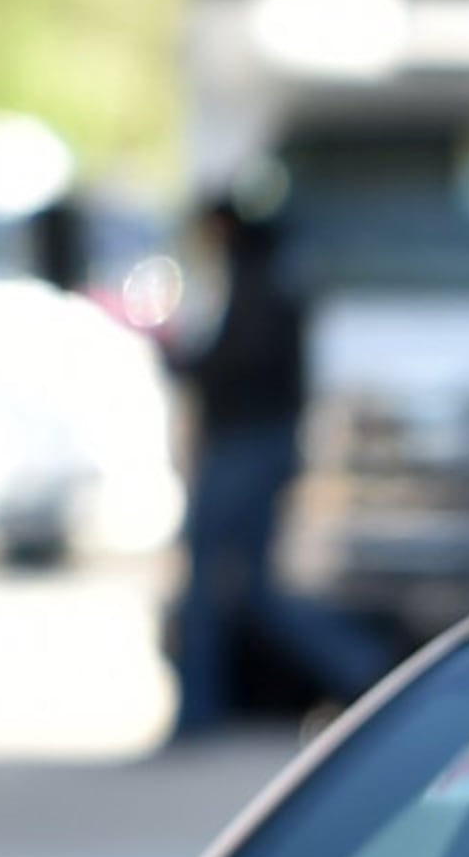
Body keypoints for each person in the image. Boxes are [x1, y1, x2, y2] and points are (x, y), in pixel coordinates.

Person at [165, 196, 391, 736]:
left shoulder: (257, 278)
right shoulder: (271, 272)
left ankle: (197, 713)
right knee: (252, 588)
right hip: (260, 441)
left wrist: (189, 365)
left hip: (248, 441)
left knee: (207, 582)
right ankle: (364, 666)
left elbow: (242, 362)